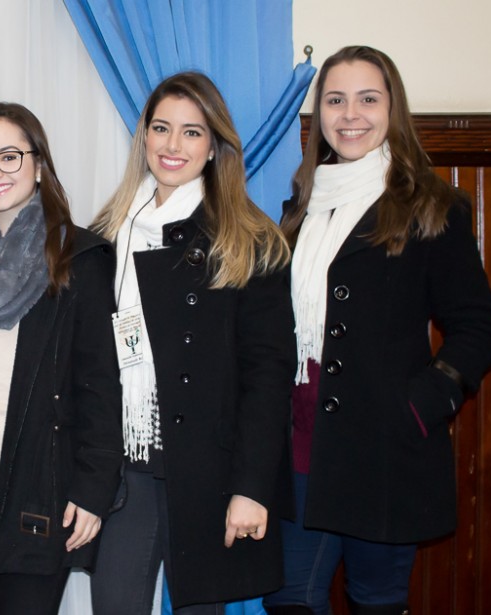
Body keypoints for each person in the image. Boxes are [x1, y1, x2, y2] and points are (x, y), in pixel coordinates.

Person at [261, 46, 491, 615]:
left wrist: (419, 406)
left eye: (367, 99)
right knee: (290, 600)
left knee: (375, 601)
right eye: (335, 100)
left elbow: (478, 328)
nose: (351, 114)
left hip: (385, 448)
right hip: (301, 443)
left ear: (392, 108)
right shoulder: (300, 208)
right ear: (319, 113)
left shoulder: (431, 205)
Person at [88, 72, 297, 614]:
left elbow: (268, 376)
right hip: (127, 467)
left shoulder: (249, 239)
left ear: (214, 147)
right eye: (161, 128)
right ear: (144, 137)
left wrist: (251, 488)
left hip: (209, 472)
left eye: (192, 132)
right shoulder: (107, 234)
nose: (173, 145)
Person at [0, 102, 123, 615]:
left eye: (9, 156)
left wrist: (94, 489)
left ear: (38, 163)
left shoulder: (78, 258)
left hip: (41, 486)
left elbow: (100, 385)